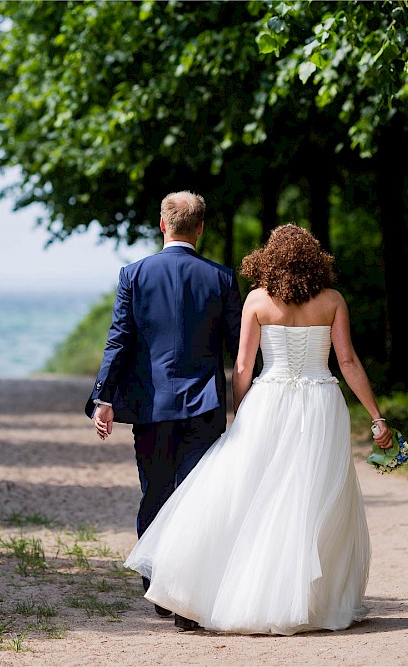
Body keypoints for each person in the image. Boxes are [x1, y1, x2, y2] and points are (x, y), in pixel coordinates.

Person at [123, 223, 393, 635]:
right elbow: (349, 362)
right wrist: (376, 416)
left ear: (268, 258)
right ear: (314, 258)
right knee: (313, 500)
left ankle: (240, 592)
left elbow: (244, 365)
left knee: (257, 496)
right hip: (321, 402)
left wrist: (239, 413)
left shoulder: (256, 300)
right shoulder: (333, 300)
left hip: (270, 400)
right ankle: (309, 602)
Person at [85, 190, 243, 630]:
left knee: (155, 491)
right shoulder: (222, 278)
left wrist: (104, 398)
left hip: (152, 407)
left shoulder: (134, 275)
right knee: (196, 498)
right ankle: (186, 597)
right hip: (205, 406)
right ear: (201, 228)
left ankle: (158, 580)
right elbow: (238, 349)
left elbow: (119, 342)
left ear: (162, 225)